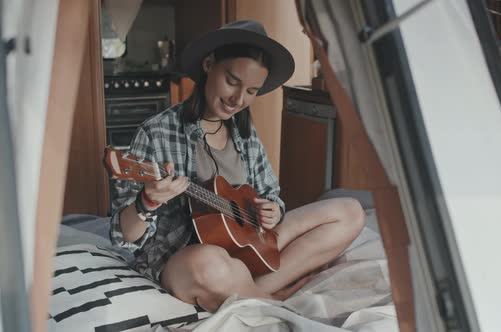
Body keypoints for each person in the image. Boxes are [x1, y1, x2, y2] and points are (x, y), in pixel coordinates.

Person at [110, 20, 365, 312]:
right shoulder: (156, 132)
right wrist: (148, 200)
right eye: (232, 81)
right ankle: (271, 299)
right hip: (187, 261)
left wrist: (273, 211)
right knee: (207, 265)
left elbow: (270, 195)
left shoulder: (244, 134)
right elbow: (123, 237)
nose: (238, 100)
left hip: (248, 249)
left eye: (252, 91)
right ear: (208, 64)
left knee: (350, 211)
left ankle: (250, 291)